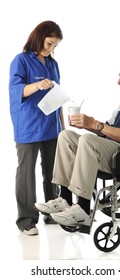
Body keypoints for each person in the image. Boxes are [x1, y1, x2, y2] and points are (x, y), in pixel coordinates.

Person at [34, 58, 120, 227]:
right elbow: (107, 129)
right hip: (114, 148)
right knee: (66, 135)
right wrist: (85, 124)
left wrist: (95, 124)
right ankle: (64, 199)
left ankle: (82, 208)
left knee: (88, 141)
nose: (119, 82)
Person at [9, 20, 64, 235]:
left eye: (55, 46)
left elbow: (57, 95)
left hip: (52, 125)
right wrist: (37, 85)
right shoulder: (21, 61)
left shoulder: (53, 64)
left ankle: (51, 212)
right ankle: (26, 220)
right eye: (49, 44)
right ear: (39, 37)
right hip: (29, 125)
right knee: (26, 173)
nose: (51, 49)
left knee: (53, 171)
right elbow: (16, 90)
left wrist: (63, 126)